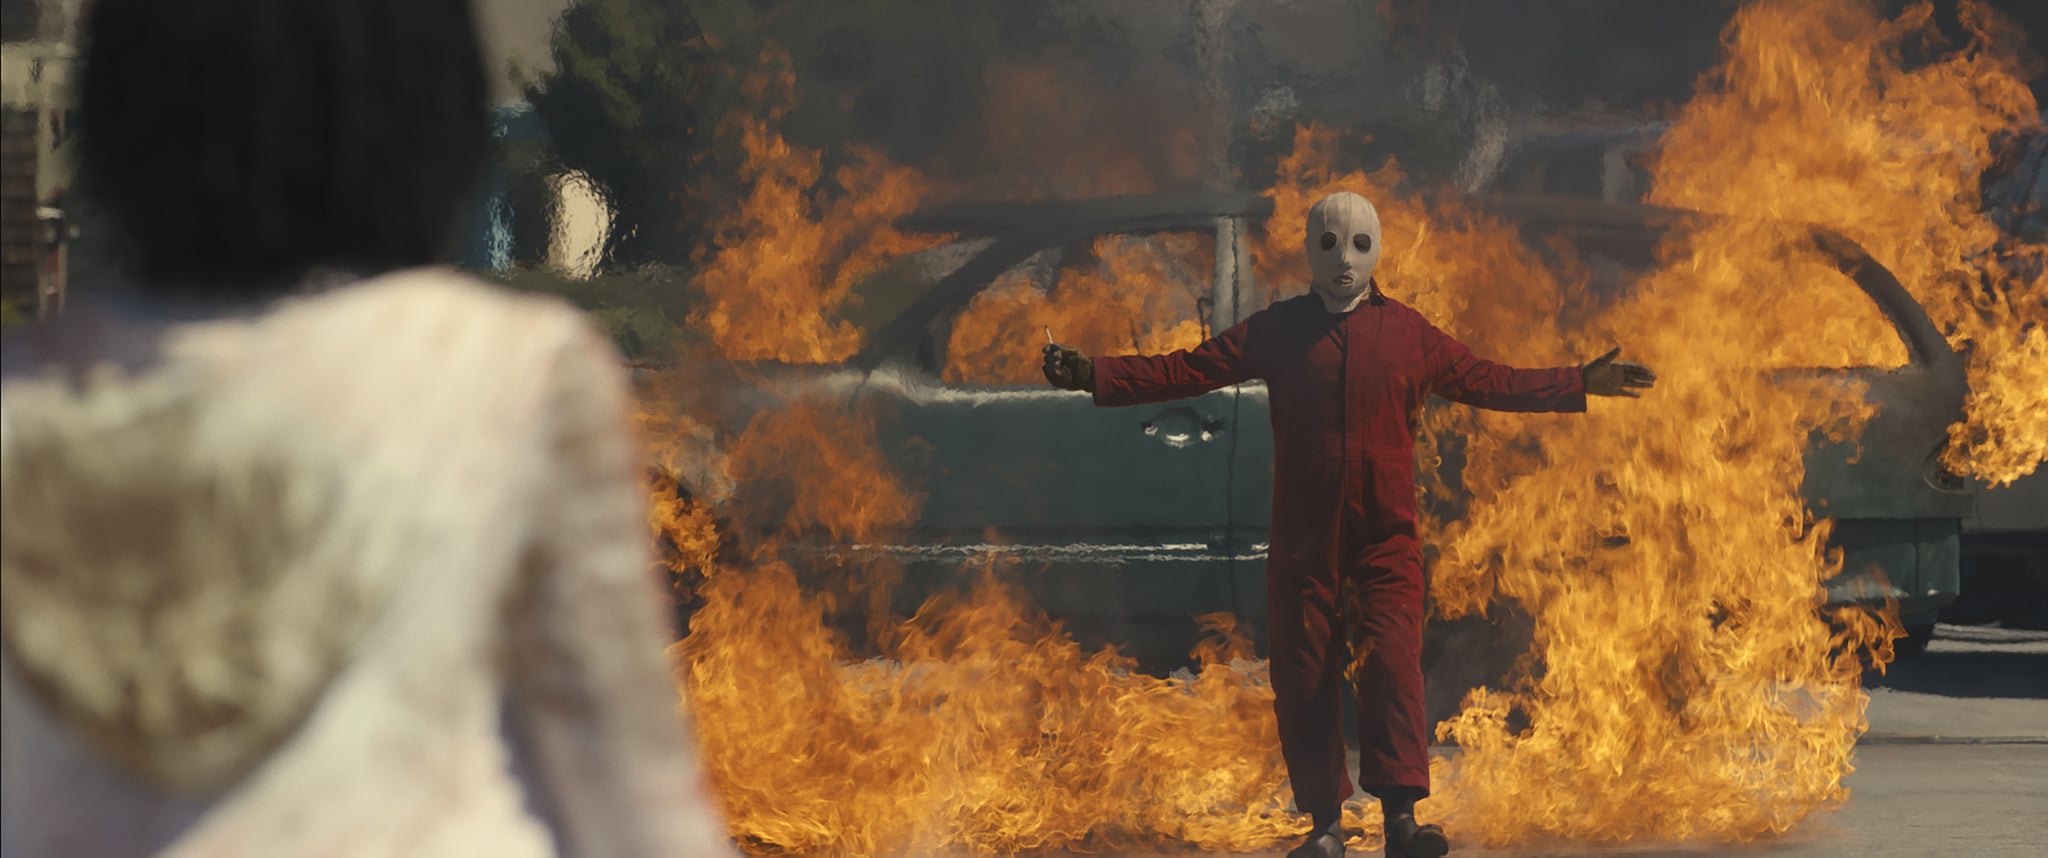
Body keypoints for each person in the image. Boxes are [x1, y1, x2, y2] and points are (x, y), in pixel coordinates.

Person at [0, 0, 736, 856]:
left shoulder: (21, 405)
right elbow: (640, 820)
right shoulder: (513, 376)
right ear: (427, 104)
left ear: (123, 98)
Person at [1041, 191, 1655, 858]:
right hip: (1305, 535)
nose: (1344, 258)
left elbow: (1489, 380)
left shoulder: (1410, 335)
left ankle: (1401, 823)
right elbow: (1188, 369)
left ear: (1379, 252)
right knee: (1305, 676)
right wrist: (1093, 375)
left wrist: (1576, 383)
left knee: (1393, 666)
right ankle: (1326, 829)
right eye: (1330, 244)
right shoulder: (1278, 332)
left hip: (1388, 534)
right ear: (1308, 252)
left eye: (1360, 244)